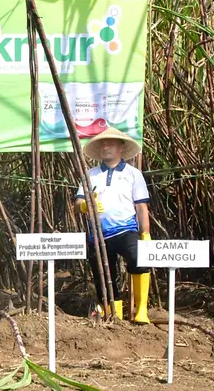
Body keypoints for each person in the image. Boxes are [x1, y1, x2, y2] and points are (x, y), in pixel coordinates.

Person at [75, 127, 151, 324]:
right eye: (102, 143)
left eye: (110, 143)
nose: (105, 146)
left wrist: (146, 233)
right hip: (98, 233)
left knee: (138, 260)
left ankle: (141, 309)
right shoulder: (90, 175)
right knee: (103, 274)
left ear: (121, 147)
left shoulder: (133, 174)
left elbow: (141, 206)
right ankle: (113, 312)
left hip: (126, 229)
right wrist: (85, 205)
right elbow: (77, 203)